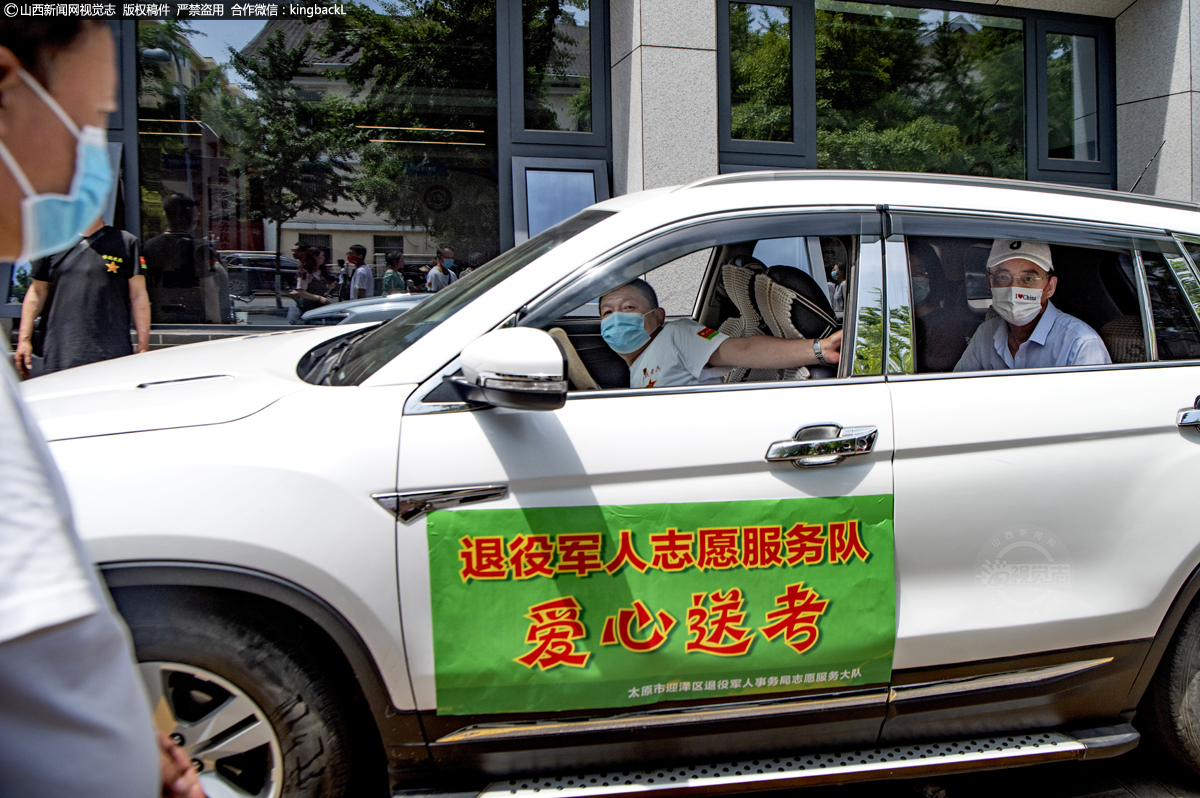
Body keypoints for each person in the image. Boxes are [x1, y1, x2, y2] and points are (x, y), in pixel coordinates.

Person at [0, 18, 202, 797]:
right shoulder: (53, 258)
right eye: (85, 122)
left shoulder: (124, 243)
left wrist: (146, 736)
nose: (93, 158)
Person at [599, 279, 842, 388]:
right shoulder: (636, 367)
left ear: (658, 316)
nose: (617, 318)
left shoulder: (676, 334)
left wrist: (820, 349)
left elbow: (742, 350)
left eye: (629, 308)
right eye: (607, 313)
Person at [13, 216, 150, 376]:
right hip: (62, 350)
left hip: (112, 350)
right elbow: (36, 293)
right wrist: (23, 340)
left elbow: (138, 295)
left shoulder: (127, 242)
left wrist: (143, 344)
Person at [954, 239, 1111, 371]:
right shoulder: (986, 334)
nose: (1014, 289)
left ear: (1049, 287)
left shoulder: (1080, 345)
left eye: (1028, 279)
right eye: (1003, 277)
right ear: (989, 284)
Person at [141, 193, 214, 323]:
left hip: (159, 317)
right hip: (195, 317)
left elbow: (144, 288)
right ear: (190, 215)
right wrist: (217, 320)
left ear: (166, 215)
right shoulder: (200, 248)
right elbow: (209, 289)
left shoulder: (148, 247)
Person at [288, 246, 333, 316]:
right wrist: (319, 298)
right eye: (322, 256)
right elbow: (301, 292)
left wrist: (329, 287)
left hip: (320, 306)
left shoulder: (321, 272)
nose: (324, 258)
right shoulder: (305, 272)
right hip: (308, 306)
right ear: (315, 257)